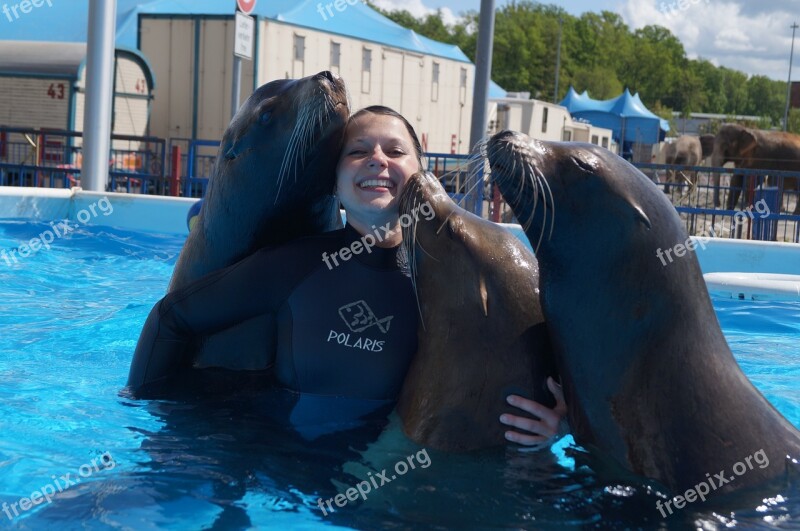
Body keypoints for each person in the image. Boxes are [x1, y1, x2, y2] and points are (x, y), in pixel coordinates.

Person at [128, 105, 566, 447]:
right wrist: (153, 420)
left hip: (400, 473)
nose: (377, 160)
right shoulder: (293, 266)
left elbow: (527, 368)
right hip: (285, 469)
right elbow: (172, 317)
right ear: (333, 180)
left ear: (423, 173)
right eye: (358, 152)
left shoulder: (458, 278)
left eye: (395, 152)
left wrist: (558, 426)